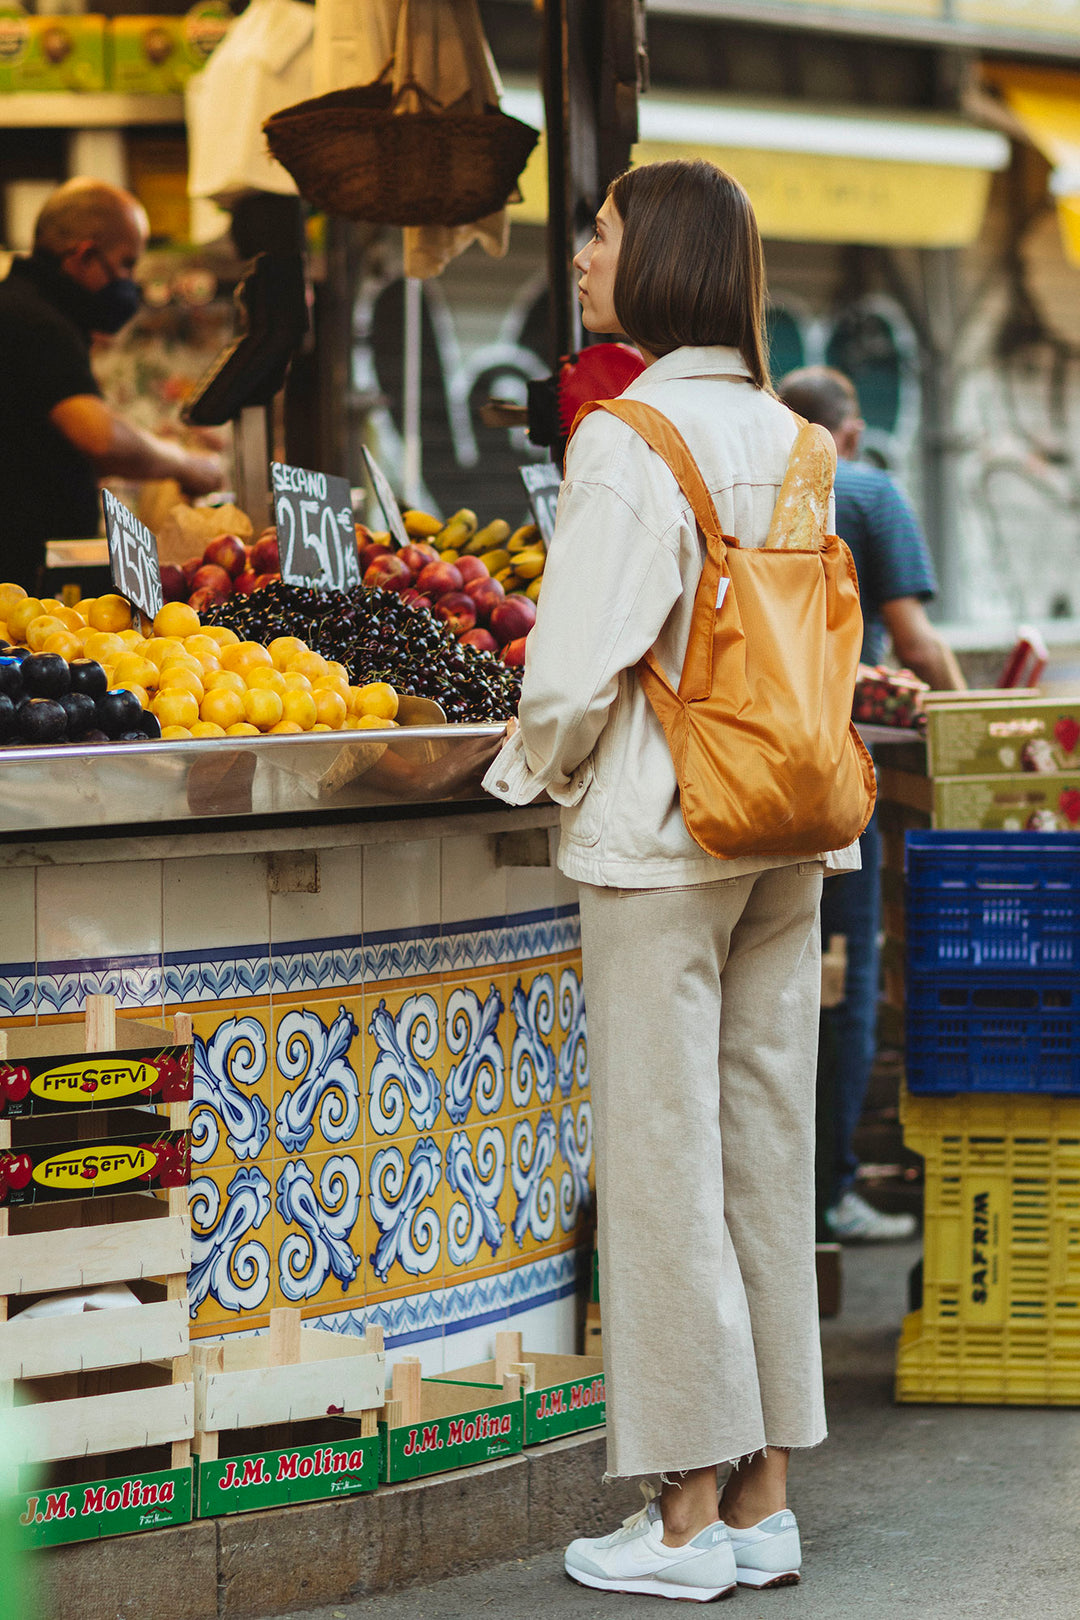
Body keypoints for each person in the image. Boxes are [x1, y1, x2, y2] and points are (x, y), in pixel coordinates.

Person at [484, 160, 863, 1599]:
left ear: (663, 262)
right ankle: (766, 1495)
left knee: (662, 1163)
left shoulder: (627, 436)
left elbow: (575, 664)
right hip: (788, 824)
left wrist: (530, 779)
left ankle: (686, 1520)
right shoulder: (790, 433)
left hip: (664, 834)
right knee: (765, 1149)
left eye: (602, 231)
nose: (583, 254)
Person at [778, 365, 965, 1243]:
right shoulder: (866, 488)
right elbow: (919, 644)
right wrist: (962, 725)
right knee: (843, 983)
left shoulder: (754, 483)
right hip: (844, 776)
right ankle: (828, 1191)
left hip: (744, 771)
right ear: (848, 431)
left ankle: (777, 1201)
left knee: (767, 980)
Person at [0, 178, 223, 590]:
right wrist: (186, 464)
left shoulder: (27, 308)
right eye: (126, 264)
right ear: (84, 256)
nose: (130, 282)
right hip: (14, 579)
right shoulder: (36, 322)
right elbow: (99, 438)